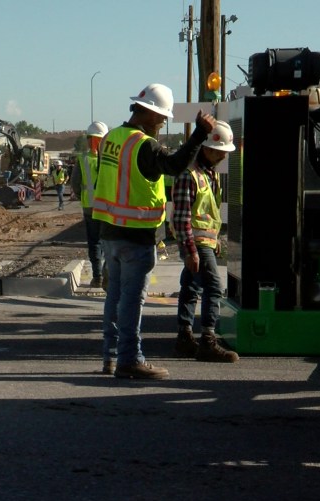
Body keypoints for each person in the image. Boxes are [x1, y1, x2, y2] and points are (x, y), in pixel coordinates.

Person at [92, 83, 216, 379]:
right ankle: (130, 359)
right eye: (161, 117)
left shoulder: (112, 137)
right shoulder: (143, 144)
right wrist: (199, 134)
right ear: (147, 113)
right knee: (132, 300)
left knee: (115, 297)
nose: (162, 123)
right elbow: (174, 166)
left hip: (110, 230)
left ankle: (110, 357)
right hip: (136, 234)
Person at [173, 121, 239, 363]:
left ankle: (184, 338)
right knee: (213, 287)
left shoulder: (208, 174)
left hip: (203, 242)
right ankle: (207, 341)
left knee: (191, 287)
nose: (223, 155)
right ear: (207, 148)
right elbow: (182, 217)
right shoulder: (189, 174)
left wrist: (216, 238)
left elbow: (208, 212)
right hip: (195, 242)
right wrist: (191, 250)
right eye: (220, 150)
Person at [70, 121, 109, 288]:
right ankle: (109, 275)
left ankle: (98, 276)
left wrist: (84, 197)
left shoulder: (83, 159)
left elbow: (75, 184)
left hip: (90, 207)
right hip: (109, 208)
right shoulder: (111, 160)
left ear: (89, 139)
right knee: (109, 241)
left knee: (94, 243)